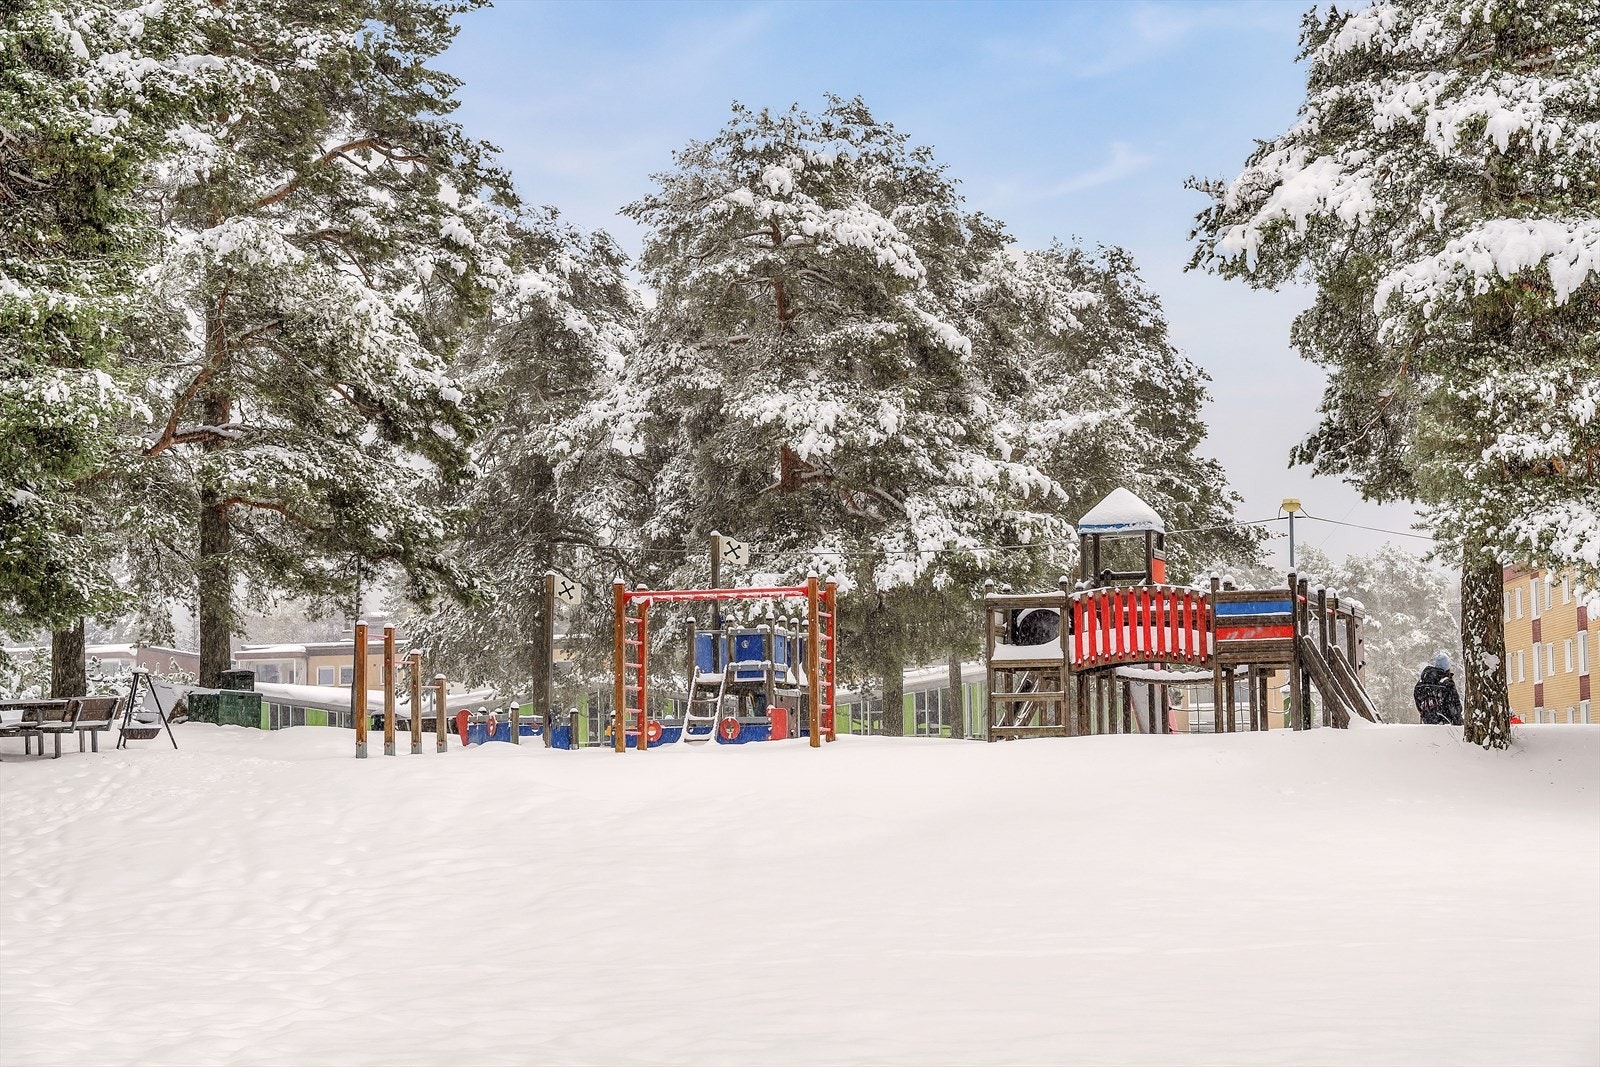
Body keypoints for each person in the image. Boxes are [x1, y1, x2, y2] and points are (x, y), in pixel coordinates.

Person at [1413, 652, 1464, 726]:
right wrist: (1459, 723)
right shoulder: (1447, 683)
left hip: (1427, 723)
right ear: (1447, 668)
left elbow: (1418, 703)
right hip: (1446, 725)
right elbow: (1453, 707)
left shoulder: (1421, 684)